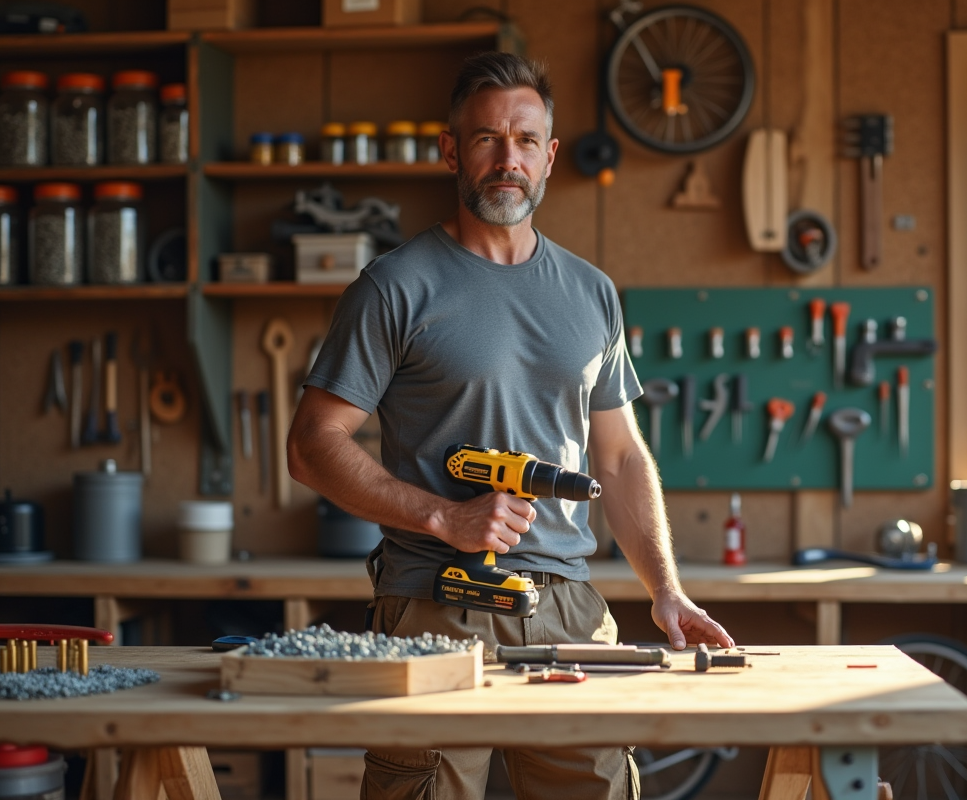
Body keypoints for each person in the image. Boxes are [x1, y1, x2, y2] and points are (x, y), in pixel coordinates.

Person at [287, 51, 734, 800]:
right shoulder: (395, 286)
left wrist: (666, 590)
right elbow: (312, 446)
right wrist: (442, 515)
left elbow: (619, 458)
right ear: (451, 150)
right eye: (487, 139)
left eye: (525, 140)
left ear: (550, 156)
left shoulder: (592, 293)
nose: (507, 159)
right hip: (434, 600)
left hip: (566, 605)